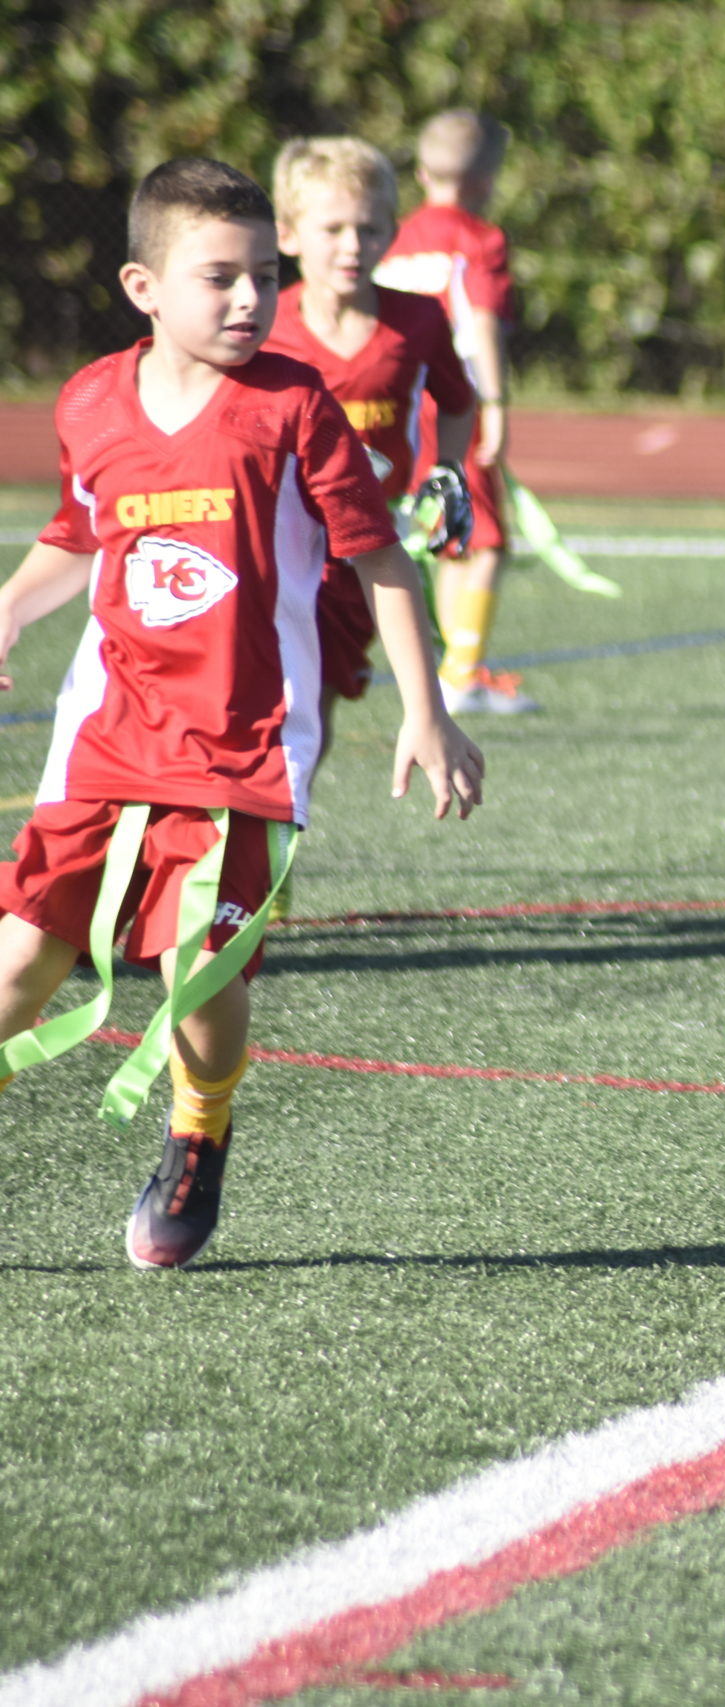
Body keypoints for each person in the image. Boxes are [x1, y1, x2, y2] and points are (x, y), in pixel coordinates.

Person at [0, 159, 485, 1270]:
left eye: (264, 276)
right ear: (143, 286)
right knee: (20, 965)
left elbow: (378, 556)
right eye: (220, 277)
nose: (249, 300)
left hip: (244, 749)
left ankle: (198, 1128)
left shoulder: (291, 405)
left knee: (197, 980)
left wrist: (428, 709)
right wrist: (10, 609)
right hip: (106, 734)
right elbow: (80, 535)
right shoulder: (88, 401)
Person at [263, 136, 479, 755]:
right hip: (278, 540)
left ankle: (285, 824)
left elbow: (460, 402)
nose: (352, 246)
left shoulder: (418, 320)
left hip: (365, 546)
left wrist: (448, 473)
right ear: (288, 233)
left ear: (392, 231)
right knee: (266, 691)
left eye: (369, 228)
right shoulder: (264, 324)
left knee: (319, 694)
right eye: (332, 228)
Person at [375, 109, 530, 714]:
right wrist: (494, 402)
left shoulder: (393, 235)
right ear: (488, 181)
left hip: (401, 400)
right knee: (487, 542)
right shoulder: (479, 238)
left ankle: (453, 671)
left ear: (420, 172)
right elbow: (481, 326)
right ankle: (461, 676)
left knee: (448, 534)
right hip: (452, 403)